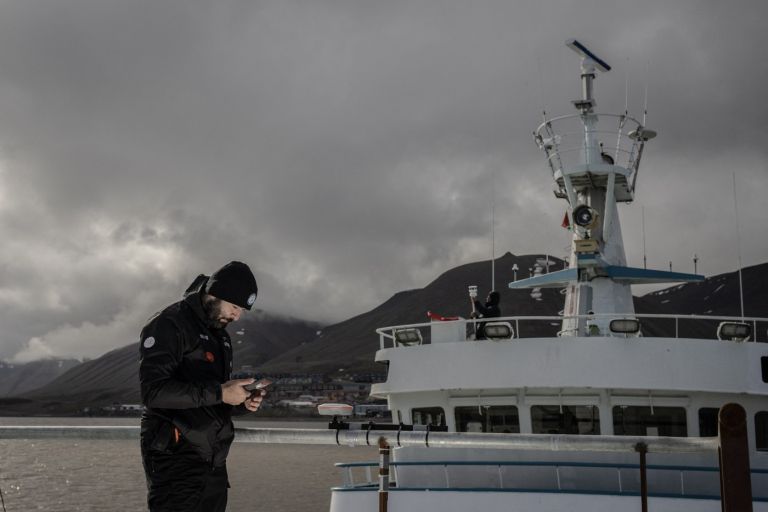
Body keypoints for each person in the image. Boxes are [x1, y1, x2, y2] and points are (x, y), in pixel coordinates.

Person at [139, 261, 263, 512]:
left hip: (213, 460)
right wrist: (220, 392)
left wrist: (240, 402)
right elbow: (153, 392)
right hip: (175, 459)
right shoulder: (169, 323)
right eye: (235, 306)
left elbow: (213, 398)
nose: (237, 315)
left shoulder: (219, 334)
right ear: (215, 294)